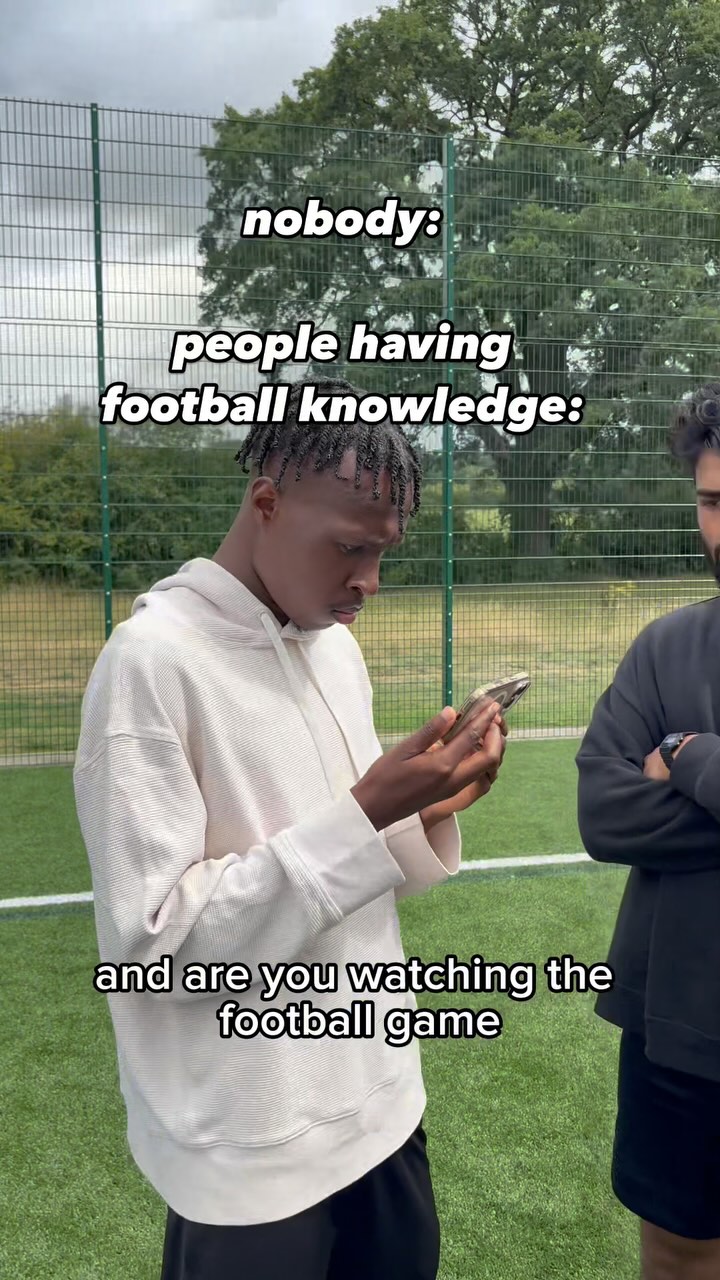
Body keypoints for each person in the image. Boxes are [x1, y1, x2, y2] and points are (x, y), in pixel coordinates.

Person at [73, 377, 507, 1280]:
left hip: (382, 1108)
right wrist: (365, 814)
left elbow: (339, 867)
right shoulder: (150, 665)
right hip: (249, 1150)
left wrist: (423, 809)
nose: (368, 583)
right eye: (350, 547)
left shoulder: (334, 647)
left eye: (383, 552)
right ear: (266, 503)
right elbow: (155, 950)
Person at [576, 383, 720, 1280]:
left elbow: (651, 794)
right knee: (676, 1251)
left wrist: (691, 757)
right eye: (713, 502)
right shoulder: (665, 649)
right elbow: (604, 810)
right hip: (682, 1020)